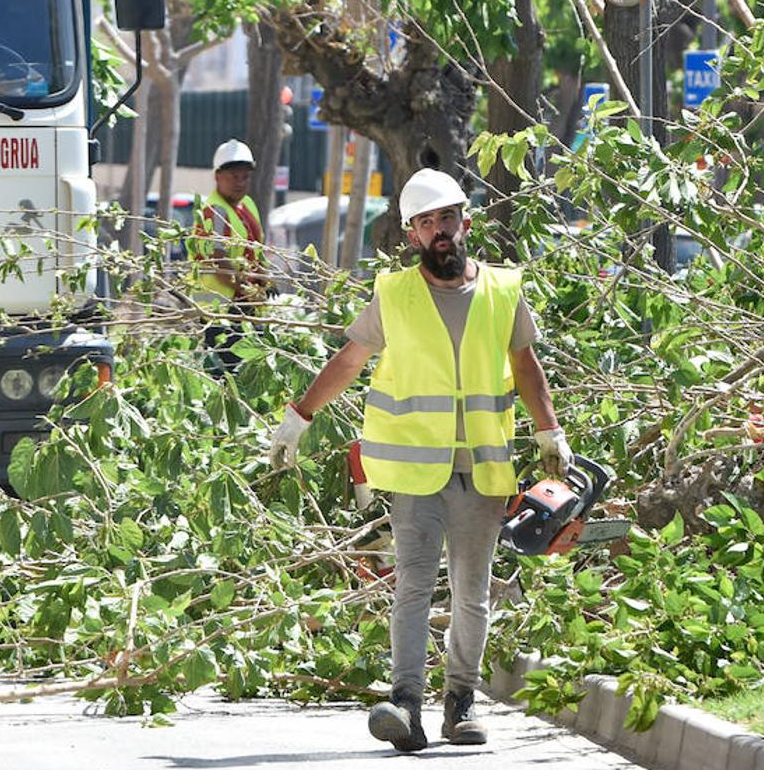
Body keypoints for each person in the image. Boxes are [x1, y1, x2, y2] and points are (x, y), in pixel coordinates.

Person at [266, 167, 571, 751]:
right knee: (413, 585)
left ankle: (461, 702)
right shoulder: (394, 294)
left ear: (466, 223)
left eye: (448, 219)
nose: (440, 232)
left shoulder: (503, 291)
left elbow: (526, 367)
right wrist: (299, 415)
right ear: (410, 235)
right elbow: (350, 360)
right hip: (416, 472)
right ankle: (406, 703)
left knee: (471, 591)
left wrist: (549, 431)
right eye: (427, 223)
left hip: (482, 470)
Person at [189, 139, 269, 373]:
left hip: (245, 306)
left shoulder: (248, 206)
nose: (240, 182)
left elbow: (257, 251)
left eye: (245, 177)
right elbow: (220, 263)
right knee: (228, 374)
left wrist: (265, 281)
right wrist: (250, 291)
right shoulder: (214, 211)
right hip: (220, 311)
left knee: (252, 370)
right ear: (218, 176)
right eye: (234, 176)